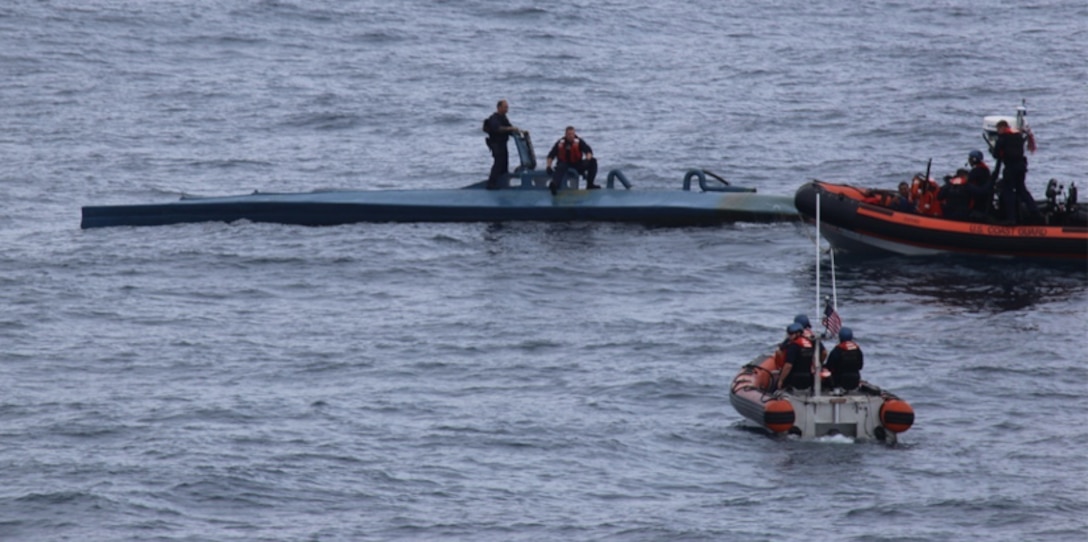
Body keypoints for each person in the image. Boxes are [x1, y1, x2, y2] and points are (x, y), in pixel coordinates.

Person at [991, 119, 1038, 223]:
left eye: (998, 129)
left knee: (1008, 192)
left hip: (1011, 168)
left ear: (1003, 127)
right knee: (1021, 189)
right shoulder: (1018, 136)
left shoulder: (1002, 139)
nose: (998, 131)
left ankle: (1011, 218)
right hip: (1021, 167)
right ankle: (1035, 211)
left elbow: (996, 155)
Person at [545, 126, 599, 195]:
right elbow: (550, 156)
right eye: (568, 134)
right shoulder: (560, 143)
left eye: (572, 134)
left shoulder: (579, 141)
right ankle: (554, 186)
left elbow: (588, 151)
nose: (570, 136)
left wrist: (587, 160)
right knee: (559, 171)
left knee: (593, 161)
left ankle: (590, 184)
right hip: (563, 164)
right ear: (565, 135)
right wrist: (548, 166)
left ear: (574, 134)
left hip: (577, 164)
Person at [482, 100, 521, 190]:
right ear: (499, 108)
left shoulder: (503, 118)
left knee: (504, 164)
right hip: (496, 144)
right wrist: (510, 128)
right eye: (505, 107)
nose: (507, 109)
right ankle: (491, 184)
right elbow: (498, 129)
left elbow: (509, 128)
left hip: (503, 144)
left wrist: (518, 131)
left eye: (507, 107)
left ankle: (503, 182)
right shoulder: (494, 118)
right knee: (498, 163)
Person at [824, 327, 864, 391]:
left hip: (839, 381)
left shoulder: (837, 350)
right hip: (855, 380)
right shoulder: (857, 350)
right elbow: (860, 366)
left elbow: (829, 366)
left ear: (840, 338)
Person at [778, 322, 815, 391]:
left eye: (791, 334)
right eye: (789, 334)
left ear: (798, 334)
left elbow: (788, 365)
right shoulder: (809, 344)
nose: (789, 336)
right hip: (808, 380)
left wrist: (781, 380)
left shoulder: (793, 346)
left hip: (794, 380)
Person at [965, 150, 995, 220]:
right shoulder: (984, 169)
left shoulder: (977, 170)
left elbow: (968, 180)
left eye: (970, 159)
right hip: (985, 194)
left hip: (980, 195)